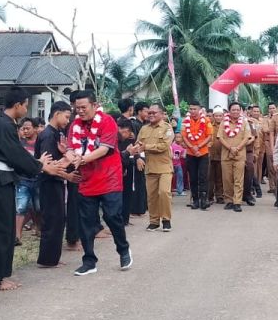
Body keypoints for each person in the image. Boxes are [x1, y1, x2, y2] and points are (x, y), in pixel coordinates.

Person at [0, 87, 52, 291]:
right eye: (26, 105)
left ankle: (0, 274)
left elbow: (17, 153)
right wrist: (38, 166)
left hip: (4, 179)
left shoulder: (7, 124)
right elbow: (14, 154)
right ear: (18, 104)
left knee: (5, 228)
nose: (26, 110)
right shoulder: (3, 125)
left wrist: (35, 163)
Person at [66, 90, 131, 276]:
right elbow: (70, 149)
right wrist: (72, 158)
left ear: (95, 105)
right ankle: (89, 261)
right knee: (86, 222)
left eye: (83, 107)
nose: (80, 111)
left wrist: (82, 159)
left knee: (112, 216)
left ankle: (123, 249)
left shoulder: (107, 121)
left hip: (109, 178)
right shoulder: (74, 126)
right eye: (76, 108)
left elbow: (103, 149)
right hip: (87, 180)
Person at [34, 102, 79, 268]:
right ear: (56, 113)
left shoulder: (57, 133)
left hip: (56, 181)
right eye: (67, 117)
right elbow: (49, 166)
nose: (68, 121)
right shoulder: (47, 135)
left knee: (58, 219)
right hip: (49, 182)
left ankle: (52, 256)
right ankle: (47, 258)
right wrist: (67, 169)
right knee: (52, 220)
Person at [137, 104, 175, 232]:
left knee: (164, 193)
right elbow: (138, 144)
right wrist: (137, 153)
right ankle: (154, 221)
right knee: (152, 196)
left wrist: (146, 147)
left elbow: (163, 146)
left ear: (162, 114)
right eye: (149, 113)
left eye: (154, 112)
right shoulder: (144, 129)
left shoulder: (167, 128)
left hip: (164, 167)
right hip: (150, 167)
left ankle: (166, 220)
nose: (151, 115)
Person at [217, 102, 251, 213]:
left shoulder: (245, 123)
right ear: (229, 111)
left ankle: (237, 202)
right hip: (226, 155)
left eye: (237, 109)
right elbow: (220, 137)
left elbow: (247, 138)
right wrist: (230, 148)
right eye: (233, 110)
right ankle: (229, 201)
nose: (235, 111)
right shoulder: (223, 122)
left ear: (240, 111)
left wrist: (237, 148)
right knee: (227, 179)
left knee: (238, 179)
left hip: (240, 155)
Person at [179, 102, 213, 210]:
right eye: (191, 109)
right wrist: (192, 148)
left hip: (203, 152)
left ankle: (204, 200)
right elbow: (184, 137)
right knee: (193, 178)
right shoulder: (185, 122)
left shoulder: (206, 120)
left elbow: (209, 136)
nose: (192, 111)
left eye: (194, 109)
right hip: (190, 153)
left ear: (200, 110)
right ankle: (195, 200)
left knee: (203, 177)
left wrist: (198, 147)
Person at [14, 117, 40, 242]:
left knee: (38, 207)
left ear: (35, 129)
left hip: (38, 179)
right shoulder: (19, 144)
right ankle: (17, 236)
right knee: (20, 207)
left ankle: (39, 229)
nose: (25, 131)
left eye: (28, 128)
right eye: (23, 128)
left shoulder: (41, 143)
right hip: (22, 179)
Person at [208, 106, 226, 205]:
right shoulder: (209, 125)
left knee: (220, 177)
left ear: (223, 116)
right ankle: (209, 196)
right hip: (210, 155)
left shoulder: (225, 127)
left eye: (220, 116)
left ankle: (220, 196)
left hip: (222, 155)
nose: (218, 117)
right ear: (213, 116)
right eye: (216, 116)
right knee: (210, 177)